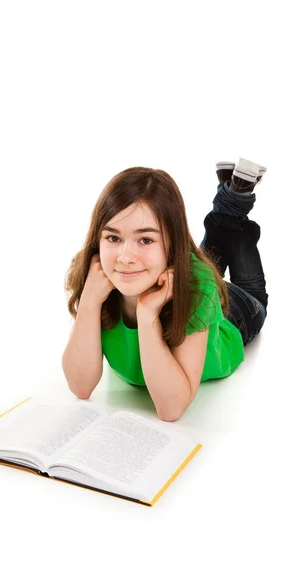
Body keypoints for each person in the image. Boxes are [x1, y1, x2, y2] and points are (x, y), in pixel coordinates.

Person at [62, 159, 268, 421]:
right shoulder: (96, 274)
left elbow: (171, 410)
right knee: (207, 260)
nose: (124, 257)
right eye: (113, 238)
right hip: (174, 277)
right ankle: (231, 197)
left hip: (236, 312)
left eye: (145, 239)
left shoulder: (199, 287)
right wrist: (89, 302)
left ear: (172, 247)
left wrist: (147, 314)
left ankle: (236, 200)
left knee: (251, 287)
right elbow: (80, 386)